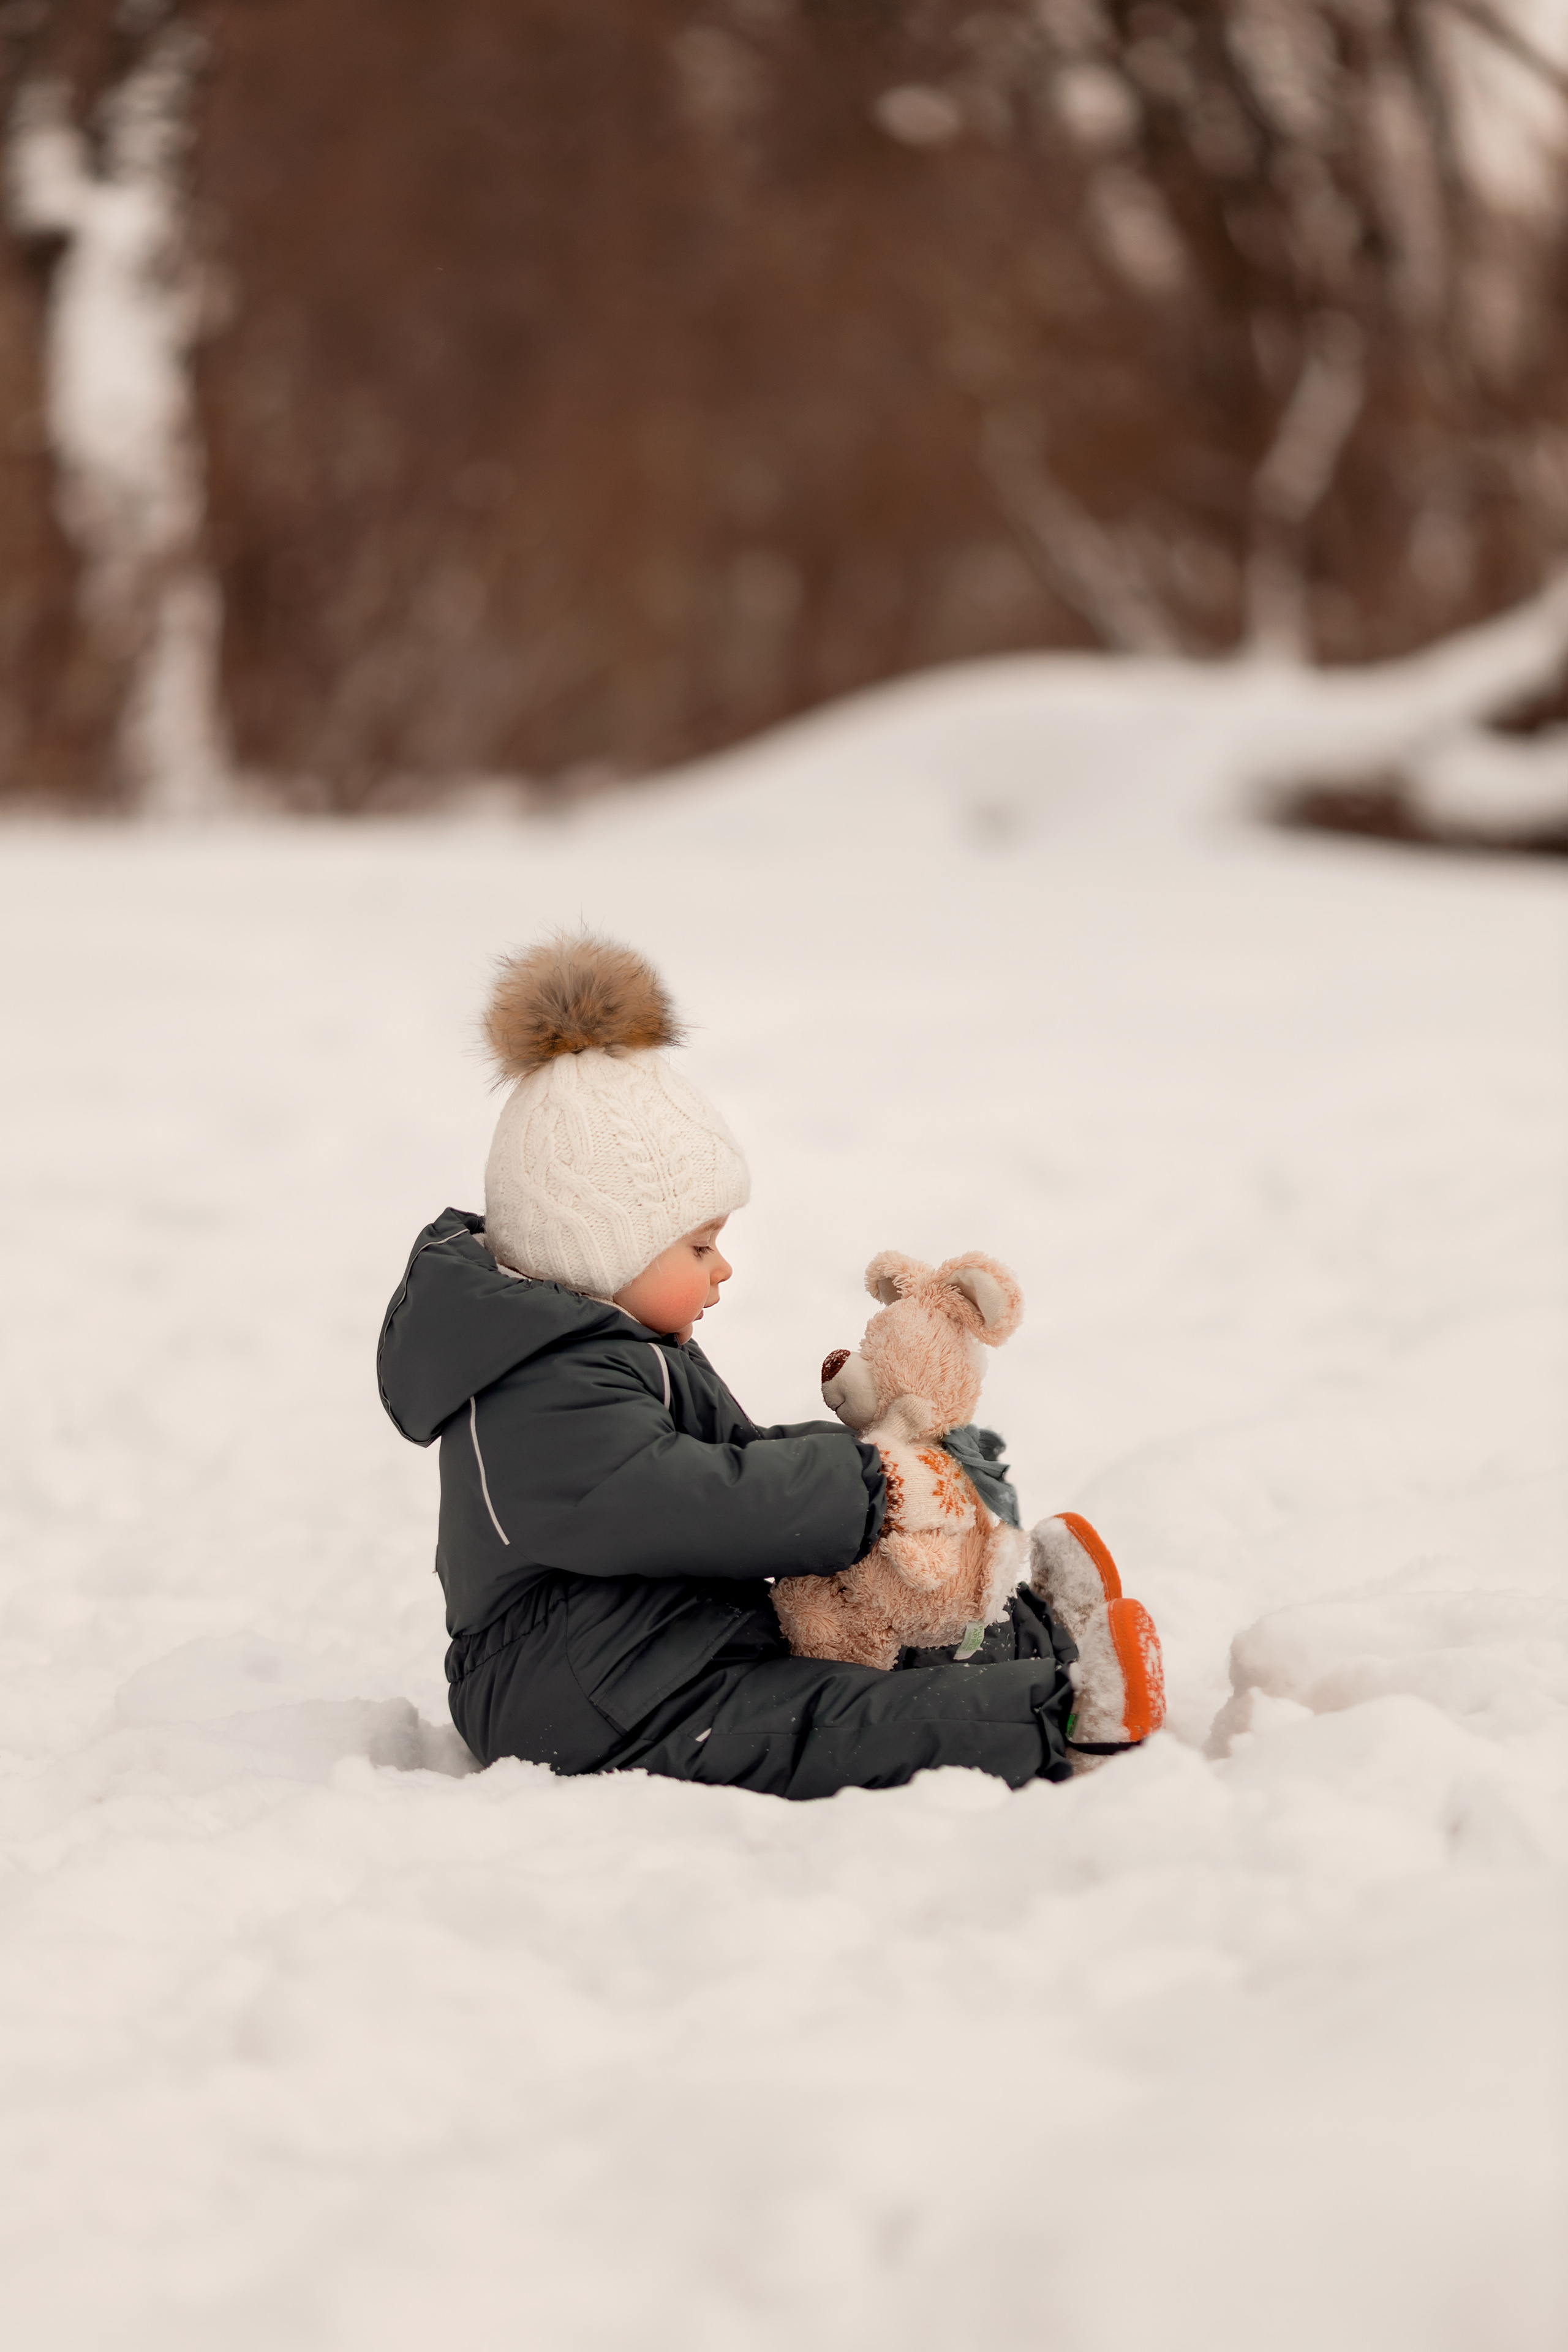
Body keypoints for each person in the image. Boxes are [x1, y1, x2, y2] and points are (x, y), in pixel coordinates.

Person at [377, 933, 1164, 1798]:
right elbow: (670, 1499)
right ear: (600, 1252)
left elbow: (729, 1461)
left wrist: (876, 1462)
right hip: (576, 1689)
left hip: (650, 1637)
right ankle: (1057, 1711)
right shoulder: (537, 1385)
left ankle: (1034, 1633)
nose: (722, 1269)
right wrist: (869, 1490)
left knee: (840, 1619)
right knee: (817, 1719)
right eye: (700, 1245)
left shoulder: (611, 1350)